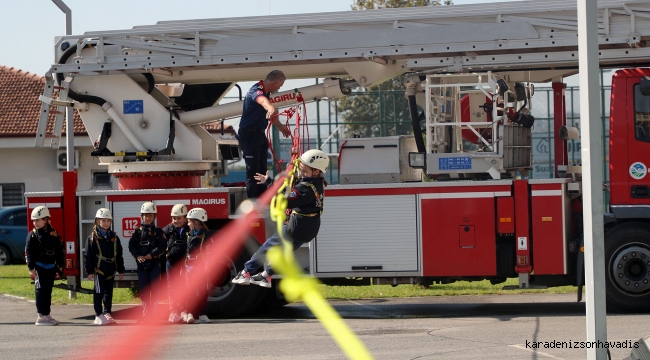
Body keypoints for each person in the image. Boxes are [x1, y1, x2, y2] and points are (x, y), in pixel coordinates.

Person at [232, 149, 328, 288]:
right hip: (309, 230)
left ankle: (246, 272)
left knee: (267, 247)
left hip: (296, 227)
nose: (301, 174)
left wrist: (268, 182)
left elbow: (285, 199)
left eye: (305, 171)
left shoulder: (305, 188)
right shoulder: (317, 185)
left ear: (316, 172)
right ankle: (266, 276)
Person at [238, 70, 292, 199]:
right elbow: (263, 102)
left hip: (259, 134)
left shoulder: (266, 92)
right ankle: (253, 203)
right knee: (253, 171)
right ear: (275, 83)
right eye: (280, 84)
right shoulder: (256, 90)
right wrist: (271, 108)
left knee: (262, 169)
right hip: (249, 134)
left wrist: (280, 127)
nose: (280, 87)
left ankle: (262, 198)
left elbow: (267, 113)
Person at [84, 208, 125, 325]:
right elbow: (88, 256)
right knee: (98, 292)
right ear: (98, 221)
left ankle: (107, 313)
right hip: (99, 270)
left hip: (111, 270)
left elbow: (119, 255)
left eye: (108, 220)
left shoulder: (114, 238)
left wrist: (120, 270)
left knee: (109, 293)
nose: (106, 223)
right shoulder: (92, 238)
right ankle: (98, 315)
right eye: (103, 220)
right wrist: (90, 271)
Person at [25, 206, 64, 326]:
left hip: (51, 267)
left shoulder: (53, 234)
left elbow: (59, 251)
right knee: (40, 291)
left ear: (46, 220)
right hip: (39, 267)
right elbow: (29, 253)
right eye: (34, 220)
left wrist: (60, 266)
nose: (35, 223)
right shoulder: (32, 235)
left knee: (48, 292)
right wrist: (31, 269)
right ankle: (41, 316)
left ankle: (47, 314)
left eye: (38, 220)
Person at [128, 202, 166, 321]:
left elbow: (162, 246)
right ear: (141, 216)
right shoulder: (137, 232)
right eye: (146, 215)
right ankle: (145, 312)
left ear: (154, 216)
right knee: (144, 289)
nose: (148, 218)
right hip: (141, 266)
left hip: (154, 264)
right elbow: (131, 246)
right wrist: (137, 255)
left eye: (150, 215)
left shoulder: (159, 232)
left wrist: (152, 254)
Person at [181, 208, 214, 324]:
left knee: (202, 291)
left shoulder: (207, 236)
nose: (188, 223)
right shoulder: (187, 234)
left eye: (190, 221)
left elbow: (210, 251)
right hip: (189, 266)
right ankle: (190, 313)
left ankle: (202, 315)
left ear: (197, 222)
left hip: (201, 266)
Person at [162, 204, 189, 323]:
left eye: (179, 218)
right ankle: (174, 312)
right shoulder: (168, 229)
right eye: (174, 218)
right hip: (171, 262)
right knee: (171, 287)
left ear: (185, 218)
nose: (176, 221)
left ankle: (184, 311)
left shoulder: (189, 229)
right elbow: (159, 241)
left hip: (185, 263)